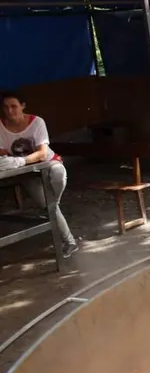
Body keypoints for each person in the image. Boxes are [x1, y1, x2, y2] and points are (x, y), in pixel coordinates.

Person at [0, 91, 79, 257]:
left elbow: (42, 153)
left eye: (14, 106)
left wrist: (20, 161)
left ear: (22, 106)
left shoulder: (37, 122)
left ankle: (53, 210)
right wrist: (11, 162)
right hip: (27, 172)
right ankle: (70, 241)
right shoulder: (0, 126)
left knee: (57, 178)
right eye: (6, 107)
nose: (10, 111)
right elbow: (3, 154)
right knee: (49, 205)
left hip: (49, 163)